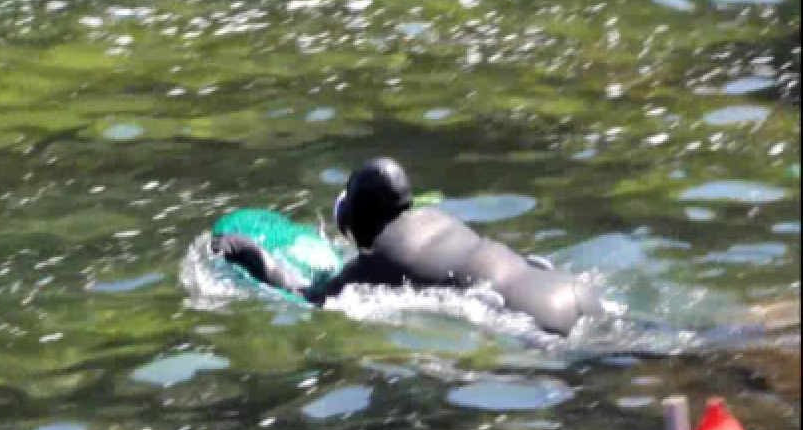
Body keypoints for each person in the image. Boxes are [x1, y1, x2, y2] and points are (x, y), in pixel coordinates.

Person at [212, 157, 606, 335]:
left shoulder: (379, 259)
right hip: (570, 289)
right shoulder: (437, 219)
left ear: (359, 215)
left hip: (540, 322)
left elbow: (310, 299)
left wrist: (254, 257)